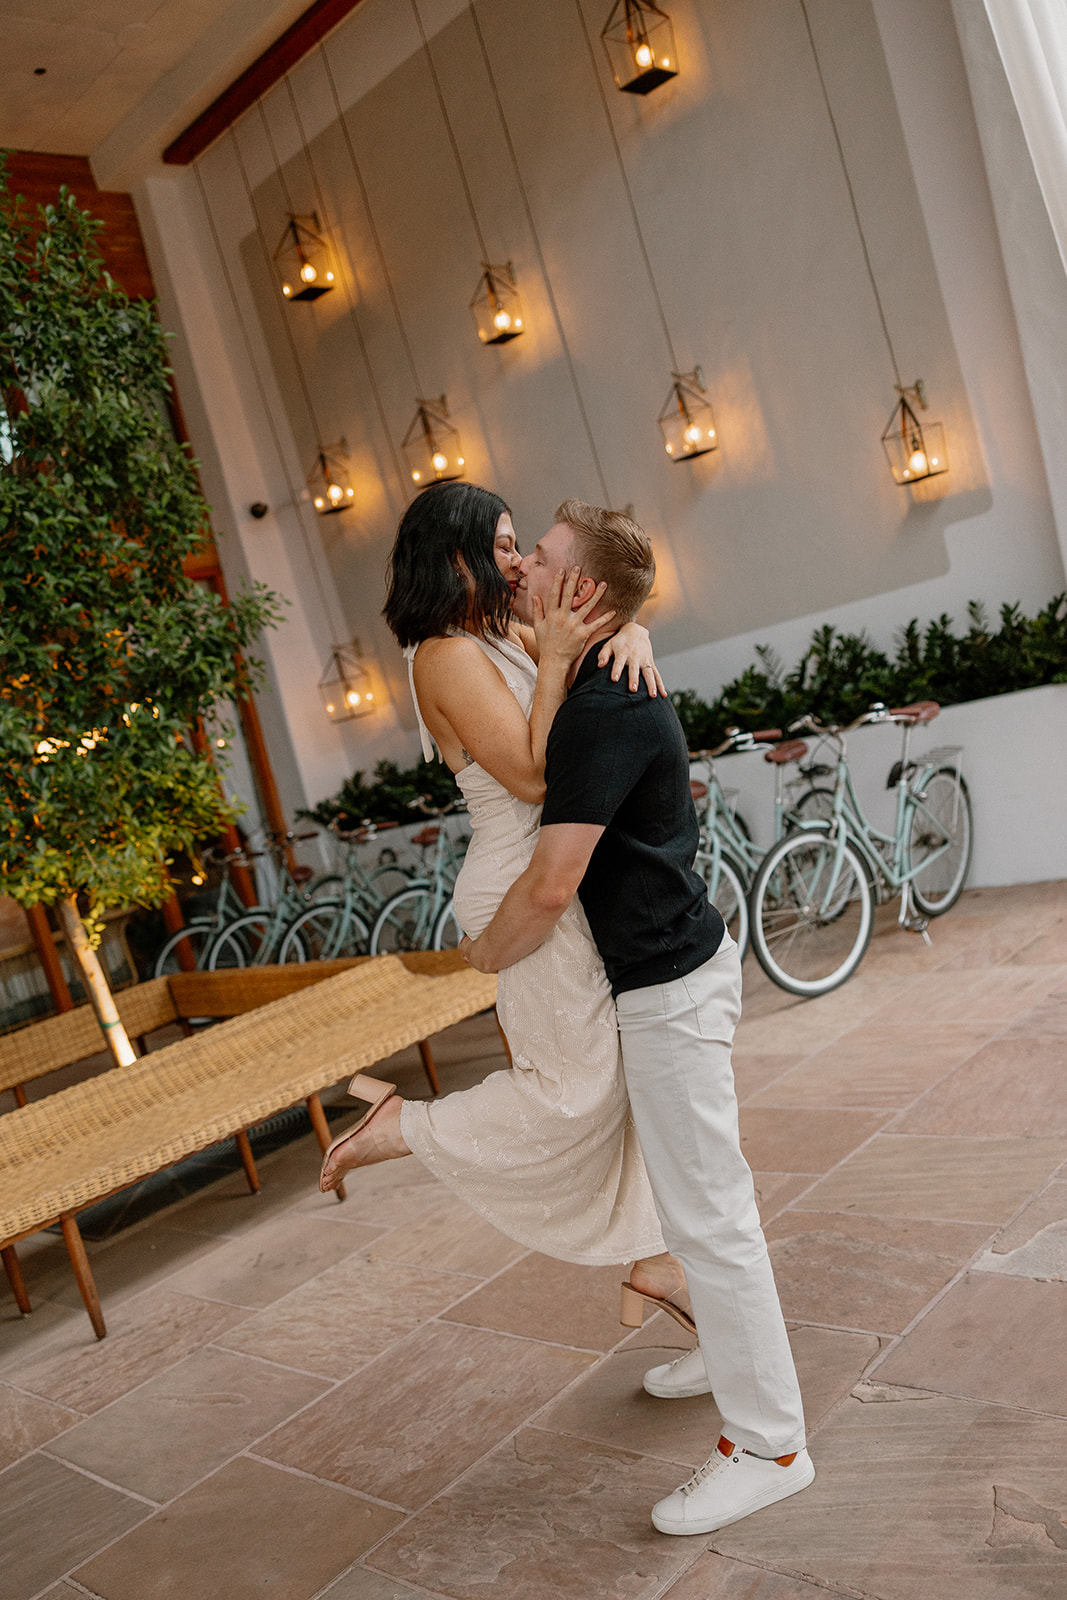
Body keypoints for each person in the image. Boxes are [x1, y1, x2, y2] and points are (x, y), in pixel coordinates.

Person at [460, 499, 813, 1538]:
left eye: (544, 560)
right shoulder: (597, 661)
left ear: (588, 595)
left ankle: (769, 1446)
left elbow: (550, 882)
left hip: (668, 985)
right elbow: (511, 633)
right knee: (687, 1200)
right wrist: (629, 621)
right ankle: (722, 1356)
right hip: (659, 977)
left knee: (712, 1214)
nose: (522, 568)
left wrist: (474, 960)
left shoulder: (608, 704)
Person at [320, 482, 690, 1314]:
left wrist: (632, 628)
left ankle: (655, 1257)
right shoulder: (443, 655)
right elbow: (529, 776)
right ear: (454, 557)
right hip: (516, 879)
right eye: (501, 545)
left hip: (550, 870)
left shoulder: (500, 631)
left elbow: (603, 623)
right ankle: (401, 1128)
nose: (519, 560)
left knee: (617, 1069)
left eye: (520, 543)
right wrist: (557, 659)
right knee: (571, 1088)